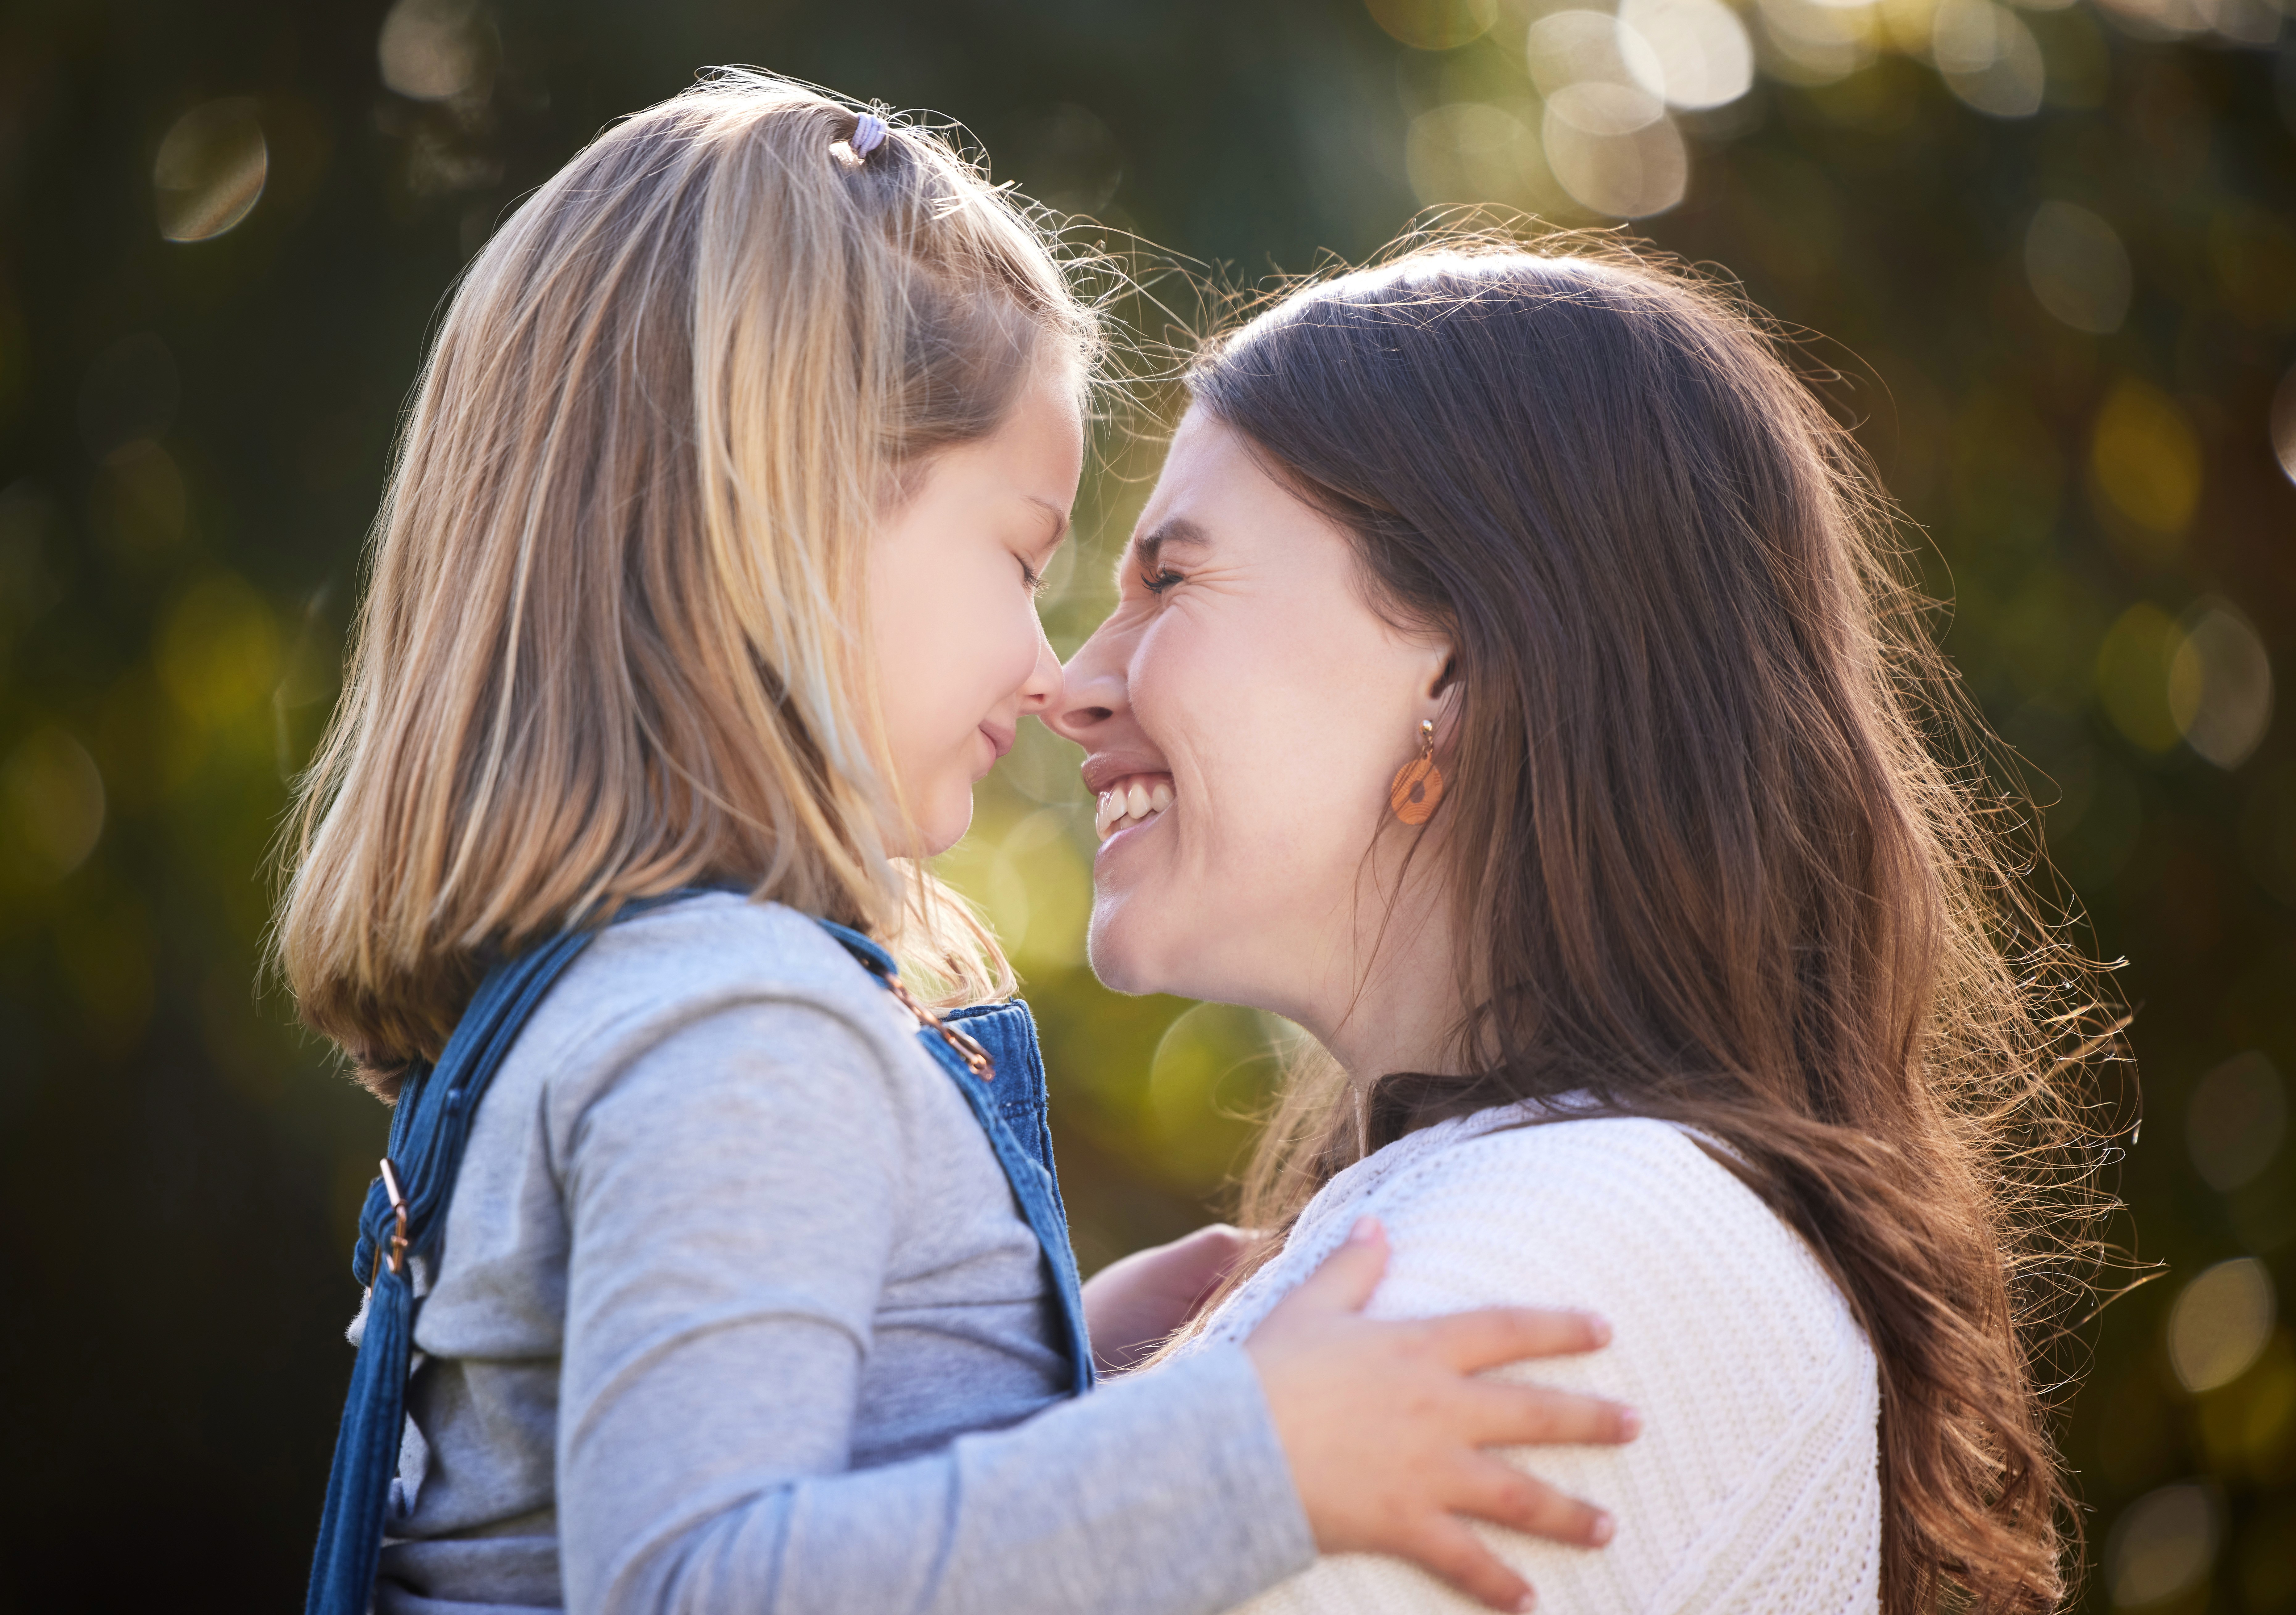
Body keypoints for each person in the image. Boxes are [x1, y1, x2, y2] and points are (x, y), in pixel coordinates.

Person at [277, 77, 1640, 1615]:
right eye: (1019, 557)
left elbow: (787, 1485)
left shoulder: (640, 1001)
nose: (1050, 671)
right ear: (779, 511)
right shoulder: (745, 1028)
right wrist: (1242, 1453)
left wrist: (1063, 1358)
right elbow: (703, 1583)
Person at [1052, 241, 2114, 1614]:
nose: (1071, 683)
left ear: (1460, 666)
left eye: (1173, 582)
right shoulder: (1521, 1213)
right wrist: (1069, 1394)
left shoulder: (1591, 1247)